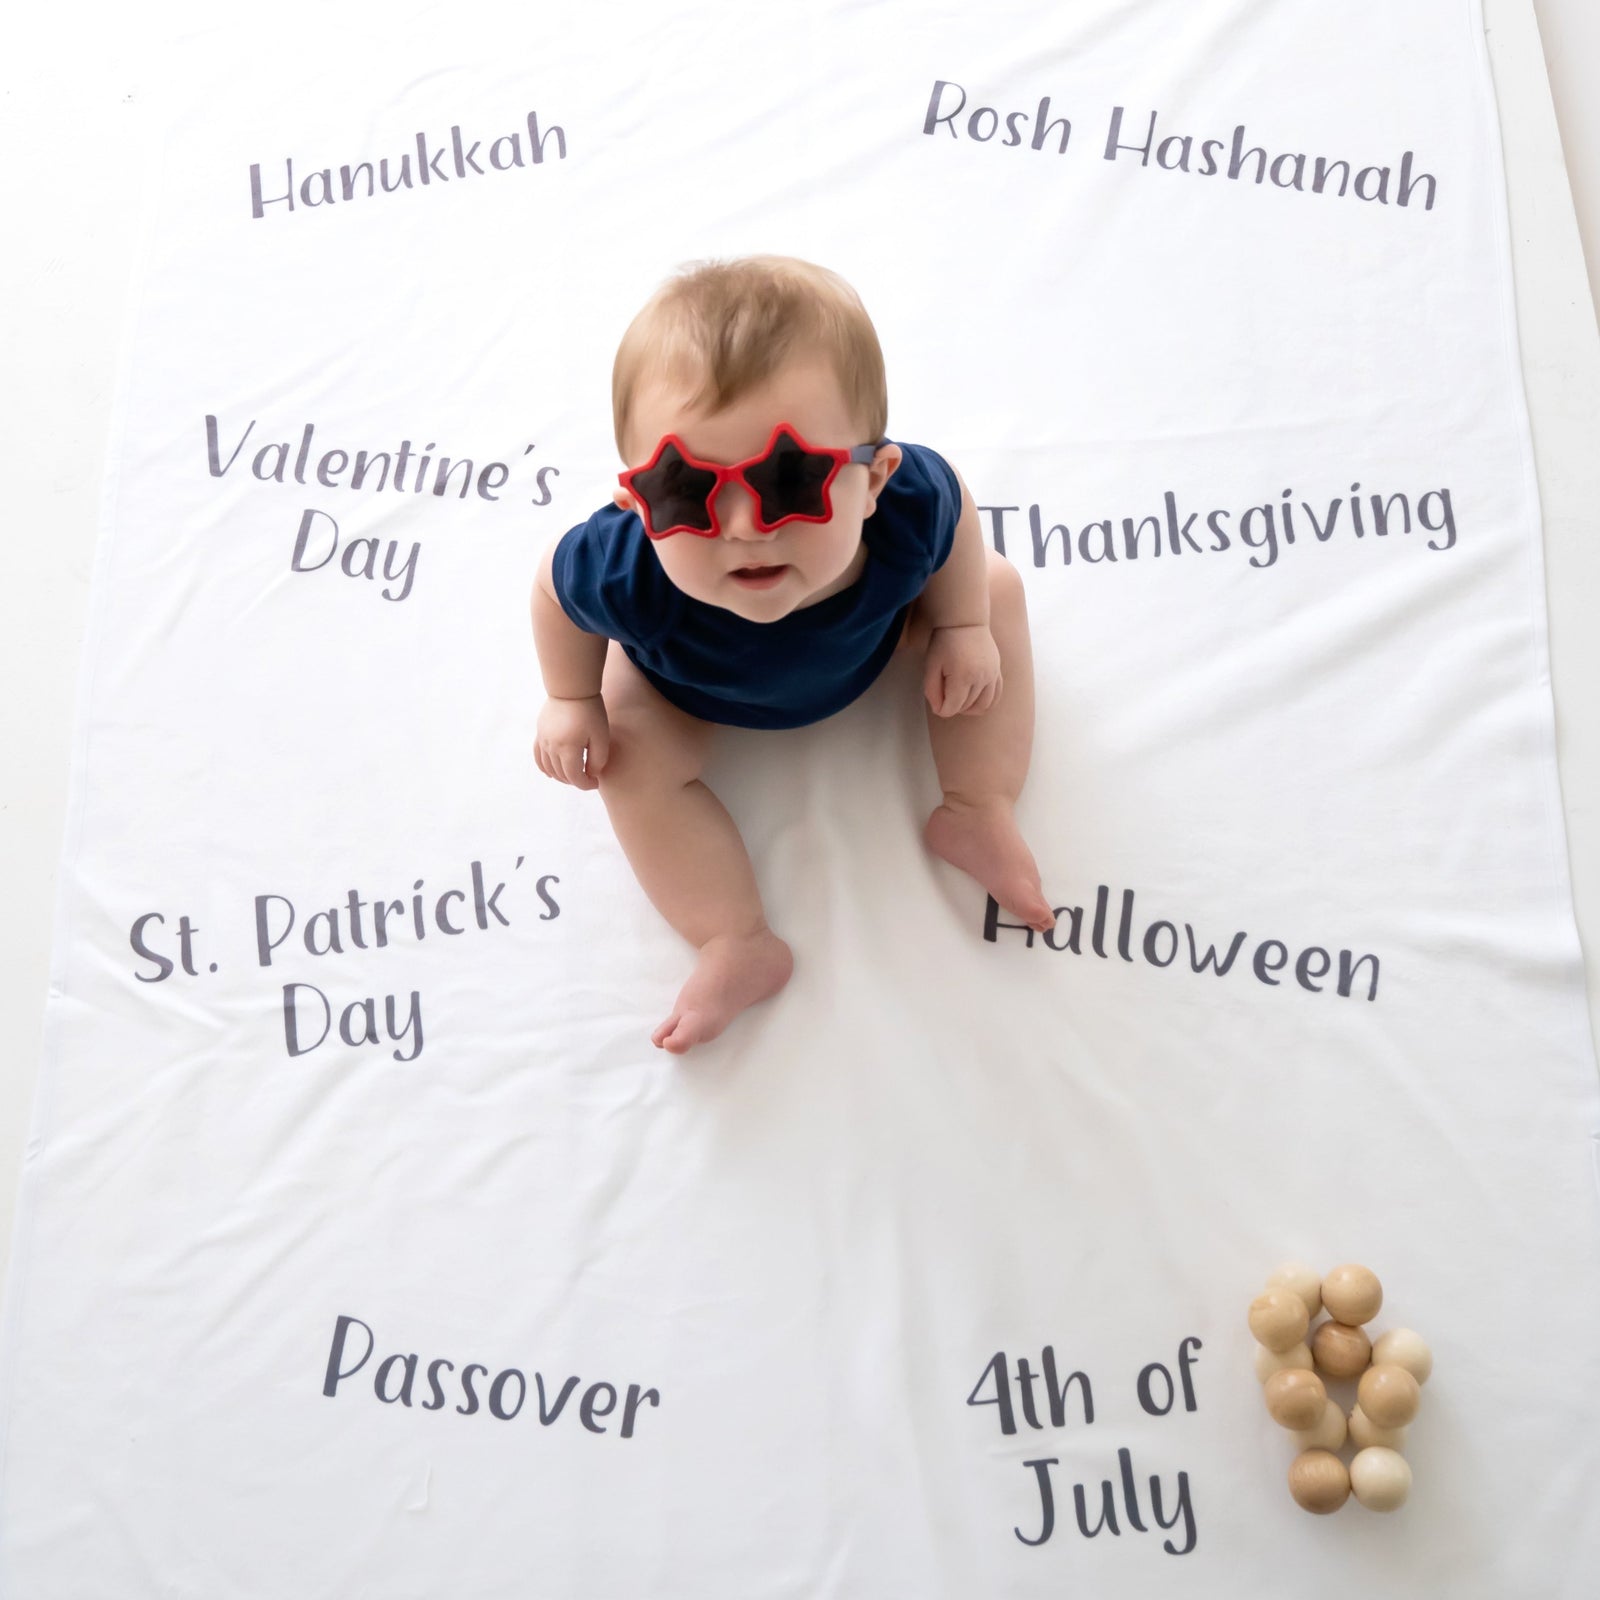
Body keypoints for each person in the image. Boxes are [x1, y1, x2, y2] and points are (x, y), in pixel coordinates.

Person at [530, 254, 1055, 1053]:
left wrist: (960, 627)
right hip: (687, 685)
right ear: (634, 500)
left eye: (789, 480)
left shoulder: (908, 509)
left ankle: (978, 806)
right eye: (685, 489)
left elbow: (954, 520)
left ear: (875, 479)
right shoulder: (625, 571)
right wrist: (573, 699)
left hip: (874, 641)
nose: (743, 524)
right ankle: (733, 939)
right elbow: (551, 593)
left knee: (997, 590)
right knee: (630, 761)